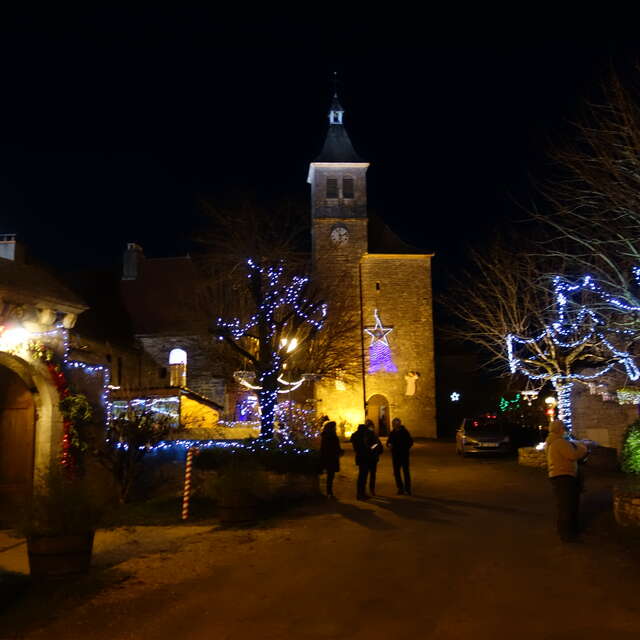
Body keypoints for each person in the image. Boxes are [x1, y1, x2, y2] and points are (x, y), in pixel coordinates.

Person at [545, 419, 589, 543]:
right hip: (564, 476)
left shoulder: (551, 441)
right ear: (559, 429)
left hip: (558, 476)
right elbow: (573, 455)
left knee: (564, 505)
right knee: (567, 506)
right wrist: (583, 448)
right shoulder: (559, 442)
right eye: (563, 428)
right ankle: (567, 534)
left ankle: (567, 531)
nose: (565, 431)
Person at [350, 423, 377, 500]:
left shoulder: (355, 436)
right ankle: (361, 494)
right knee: (363, 477)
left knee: (362, 476)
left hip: (360, 458)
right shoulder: (363, 436)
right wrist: (372, 448)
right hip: (366, 458)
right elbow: (369, 446)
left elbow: (356, 448)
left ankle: (360, 493)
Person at [387, 417, 414, 495]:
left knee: (406, 472)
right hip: (395, 456)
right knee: (396, 472)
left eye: (395, 424)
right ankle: (400, 488)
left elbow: (410, 442)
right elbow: (389, 442)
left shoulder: (405, 432)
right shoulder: (392, 433)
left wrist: (405, 449)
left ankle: (408, 489)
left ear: (399, 424)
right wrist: (389, 445)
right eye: (393, 424)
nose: (394, 425)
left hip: (404, 455)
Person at [320, 421, 343, 498]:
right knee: (330, 476)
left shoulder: (324, 436)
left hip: (327, 458)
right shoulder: (332, 436)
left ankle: (329, 492)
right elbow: (334, 447)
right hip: (331, 458)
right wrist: (339, 452)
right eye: (334, 427)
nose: (335, 428)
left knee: (330, 476)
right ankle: (329, 492)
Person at [366, 421, 383, 496]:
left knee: (370, 474)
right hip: (370, 457)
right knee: (370, 474)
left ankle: (370, 490)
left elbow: (379, 446)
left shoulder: (373, 435)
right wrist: (375, 447)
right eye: (372, 427)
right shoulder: (370, 435)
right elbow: (376, 446)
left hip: (371, 458)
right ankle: (371, 490)